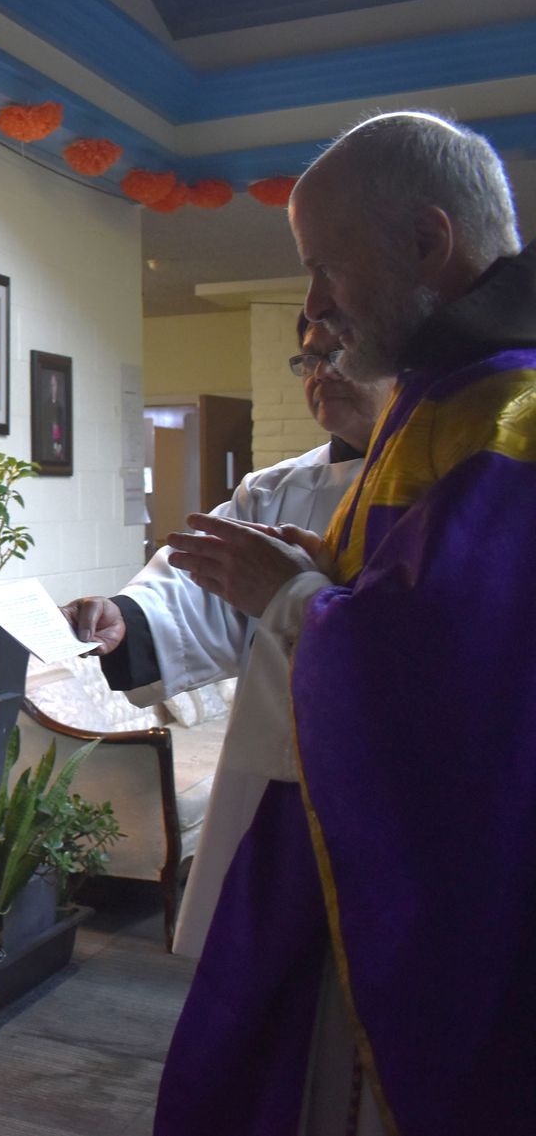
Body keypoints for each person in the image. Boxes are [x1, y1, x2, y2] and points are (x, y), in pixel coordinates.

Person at [149, 112, 532, 1136]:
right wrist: (323, 572)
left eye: (325, 265)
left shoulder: (511, 414)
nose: (314, 306)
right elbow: (416, 603)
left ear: (427, 242)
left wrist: (291, 599)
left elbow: (459, 680)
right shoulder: (444, 398)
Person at [63, 311, 387, 956]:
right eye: (309, 358)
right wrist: (127, 617)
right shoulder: (273, 490)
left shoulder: (450, 478)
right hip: (283, 754)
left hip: (388, 767)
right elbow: (195, 590)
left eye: (339, 353)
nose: (320, 373)